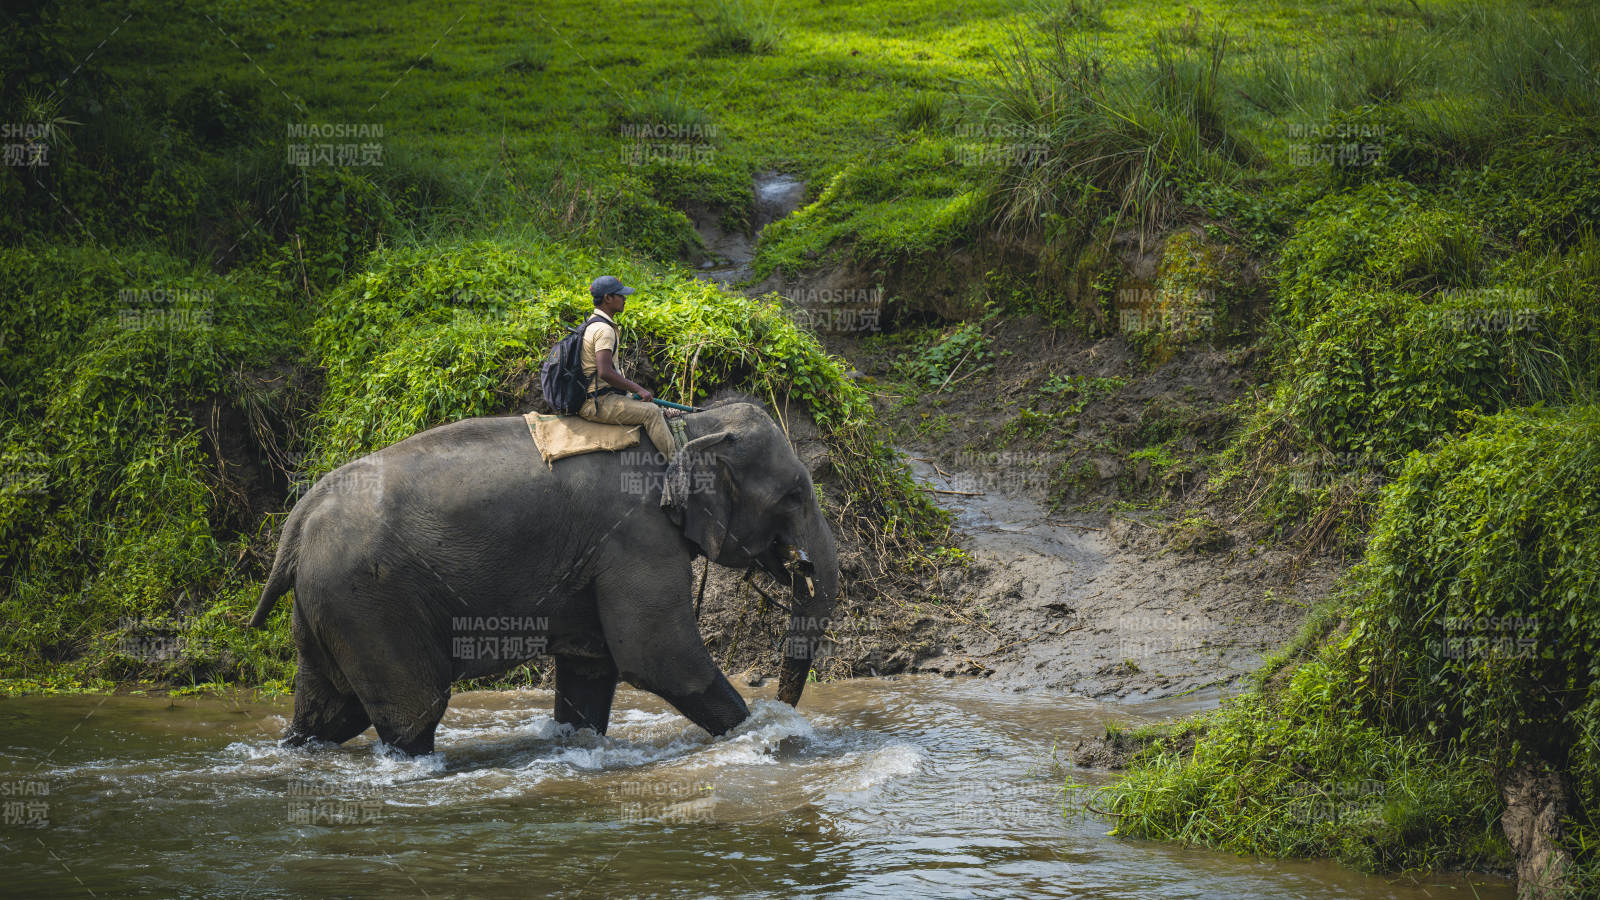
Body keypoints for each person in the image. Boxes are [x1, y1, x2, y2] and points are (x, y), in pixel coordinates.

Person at [579, 275, 682, 460]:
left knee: (650, 406)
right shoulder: (604, 330)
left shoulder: (592, 322)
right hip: (597, 402)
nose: (624, 299)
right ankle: (678, 465)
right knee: (652, 412)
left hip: (600, 395)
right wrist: (638, 389)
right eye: (620, 295)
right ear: (607, 298)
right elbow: (605, 372)